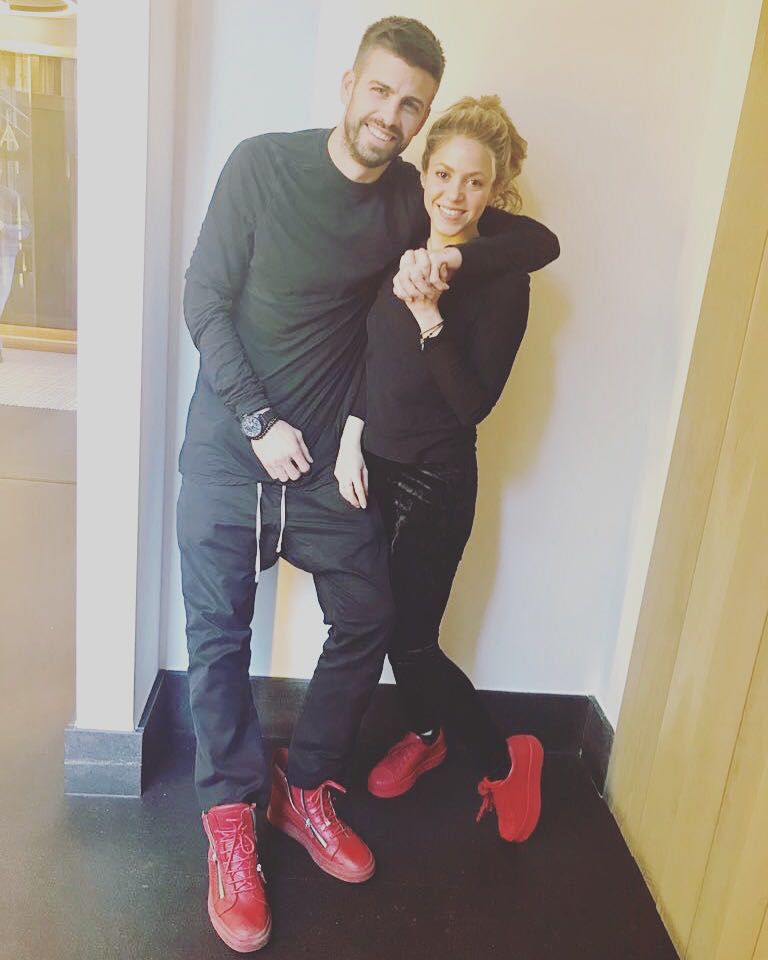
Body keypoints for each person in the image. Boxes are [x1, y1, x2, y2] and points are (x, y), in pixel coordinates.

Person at [179, 16, 559, 952]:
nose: (391, 114)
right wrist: (256, 419)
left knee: (371, 615)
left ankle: (305, 785)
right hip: (233, 453)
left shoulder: (409, 202)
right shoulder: (261, 164)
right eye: (381, 91)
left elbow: (531, 241)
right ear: (349, 84)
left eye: (412, 105)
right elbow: (204, 298)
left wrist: (450, 261)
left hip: (321, 471)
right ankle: (230, 819)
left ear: (423, 119)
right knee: (218, 638)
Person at [335, 95, 556, 844]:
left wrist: (431, 314)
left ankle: (507, 759)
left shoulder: (504, 277)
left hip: (437, 481)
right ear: (423, 172)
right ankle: (427, 735)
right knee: (372, 622)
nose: (455, 194)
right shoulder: (400, 238)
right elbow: (370, 357)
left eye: (474, 181)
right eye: (443, 174)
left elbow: (471, 406)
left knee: (413, 640)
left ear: (495, 190)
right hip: (372, 466)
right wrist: (351, 436)